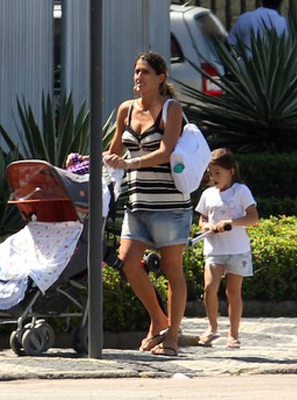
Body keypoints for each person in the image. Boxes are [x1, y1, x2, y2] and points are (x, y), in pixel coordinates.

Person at [102, 51, 191, 357]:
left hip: (170, 204)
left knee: (171, 269)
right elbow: (114, 150)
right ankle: (159, 319)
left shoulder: (172, 109)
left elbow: (166, 151)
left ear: (161, 78)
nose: (138, 77)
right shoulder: (125, 110)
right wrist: (94, 161)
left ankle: (172, 338)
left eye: (145, 72)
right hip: (137, 203)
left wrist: (130, 163)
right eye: (136, 72)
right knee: (127, 263)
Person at [195, 148, 258, 349]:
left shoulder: (241, 191)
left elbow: (253, 217)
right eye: (210, 173)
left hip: (237, 249)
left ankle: (233, 335)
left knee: (233, 292)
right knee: (209, 288)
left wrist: (231, 222)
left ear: (231, 171)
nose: (213, 178)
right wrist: (208, 226)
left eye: (218, 173)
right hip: (214, 250)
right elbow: (201, 220)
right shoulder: (207, 194)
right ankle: (212, 328)